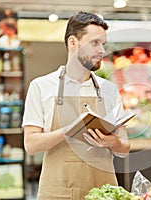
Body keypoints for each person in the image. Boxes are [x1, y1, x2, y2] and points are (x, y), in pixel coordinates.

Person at [22, 11, 130, 199]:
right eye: (95, 43)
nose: (102, 51)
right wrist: (69, 129)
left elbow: (125, 147)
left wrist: (111, 142)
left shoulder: (109, 90)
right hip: (58, 192)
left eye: (103, 44)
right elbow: (31, 144)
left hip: (104, 192)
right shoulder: (41, 86)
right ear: (73, 42)